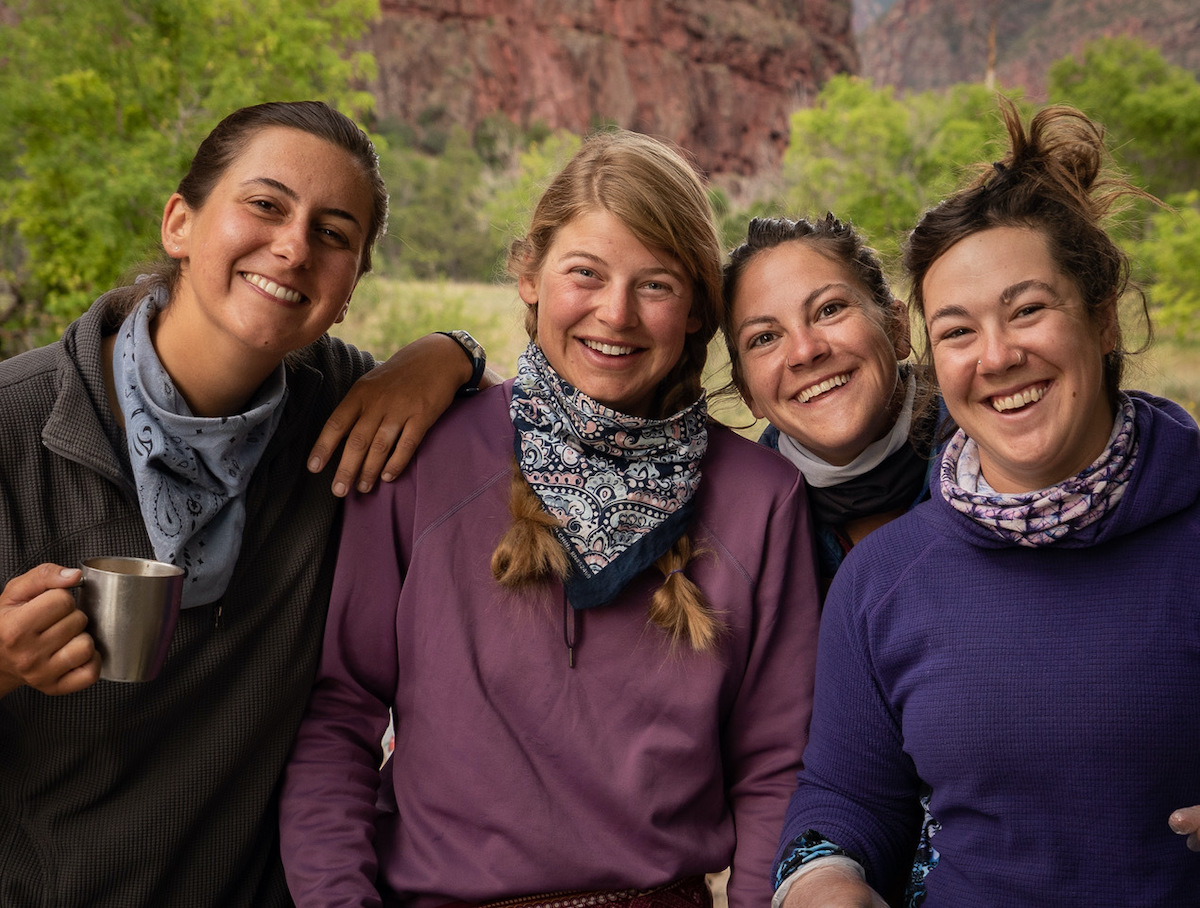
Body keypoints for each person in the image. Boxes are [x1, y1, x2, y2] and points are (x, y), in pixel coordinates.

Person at [278, 129, 821, 908]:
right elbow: (340, 715)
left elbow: (777, 763)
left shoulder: (762, 497)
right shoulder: (419, 458)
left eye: (657, 284)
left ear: (699, 305)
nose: (616, 313)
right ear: (529, 276)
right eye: (585, 274)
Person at [0, 100, 483, 907]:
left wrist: (448, 357)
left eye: (334, 234)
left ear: (352, 285)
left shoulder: (346, 417)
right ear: (180, 222)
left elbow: (517, 427)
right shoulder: (16, 423)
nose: (294, 247)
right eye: (265, 205)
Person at [772, 100, 1200, 906]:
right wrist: (822, 880)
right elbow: (845, 801)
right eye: (959, 332)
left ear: (1103, 319)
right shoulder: (887, 578)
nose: (998, 357)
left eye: (1028, 310)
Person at [720, 213, 941, 600]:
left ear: (897, 327)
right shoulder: (736, 531)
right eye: (765, 337)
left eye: (829, 309)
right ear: (747, 393)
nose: (805, 351)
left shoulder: (1000, 452)